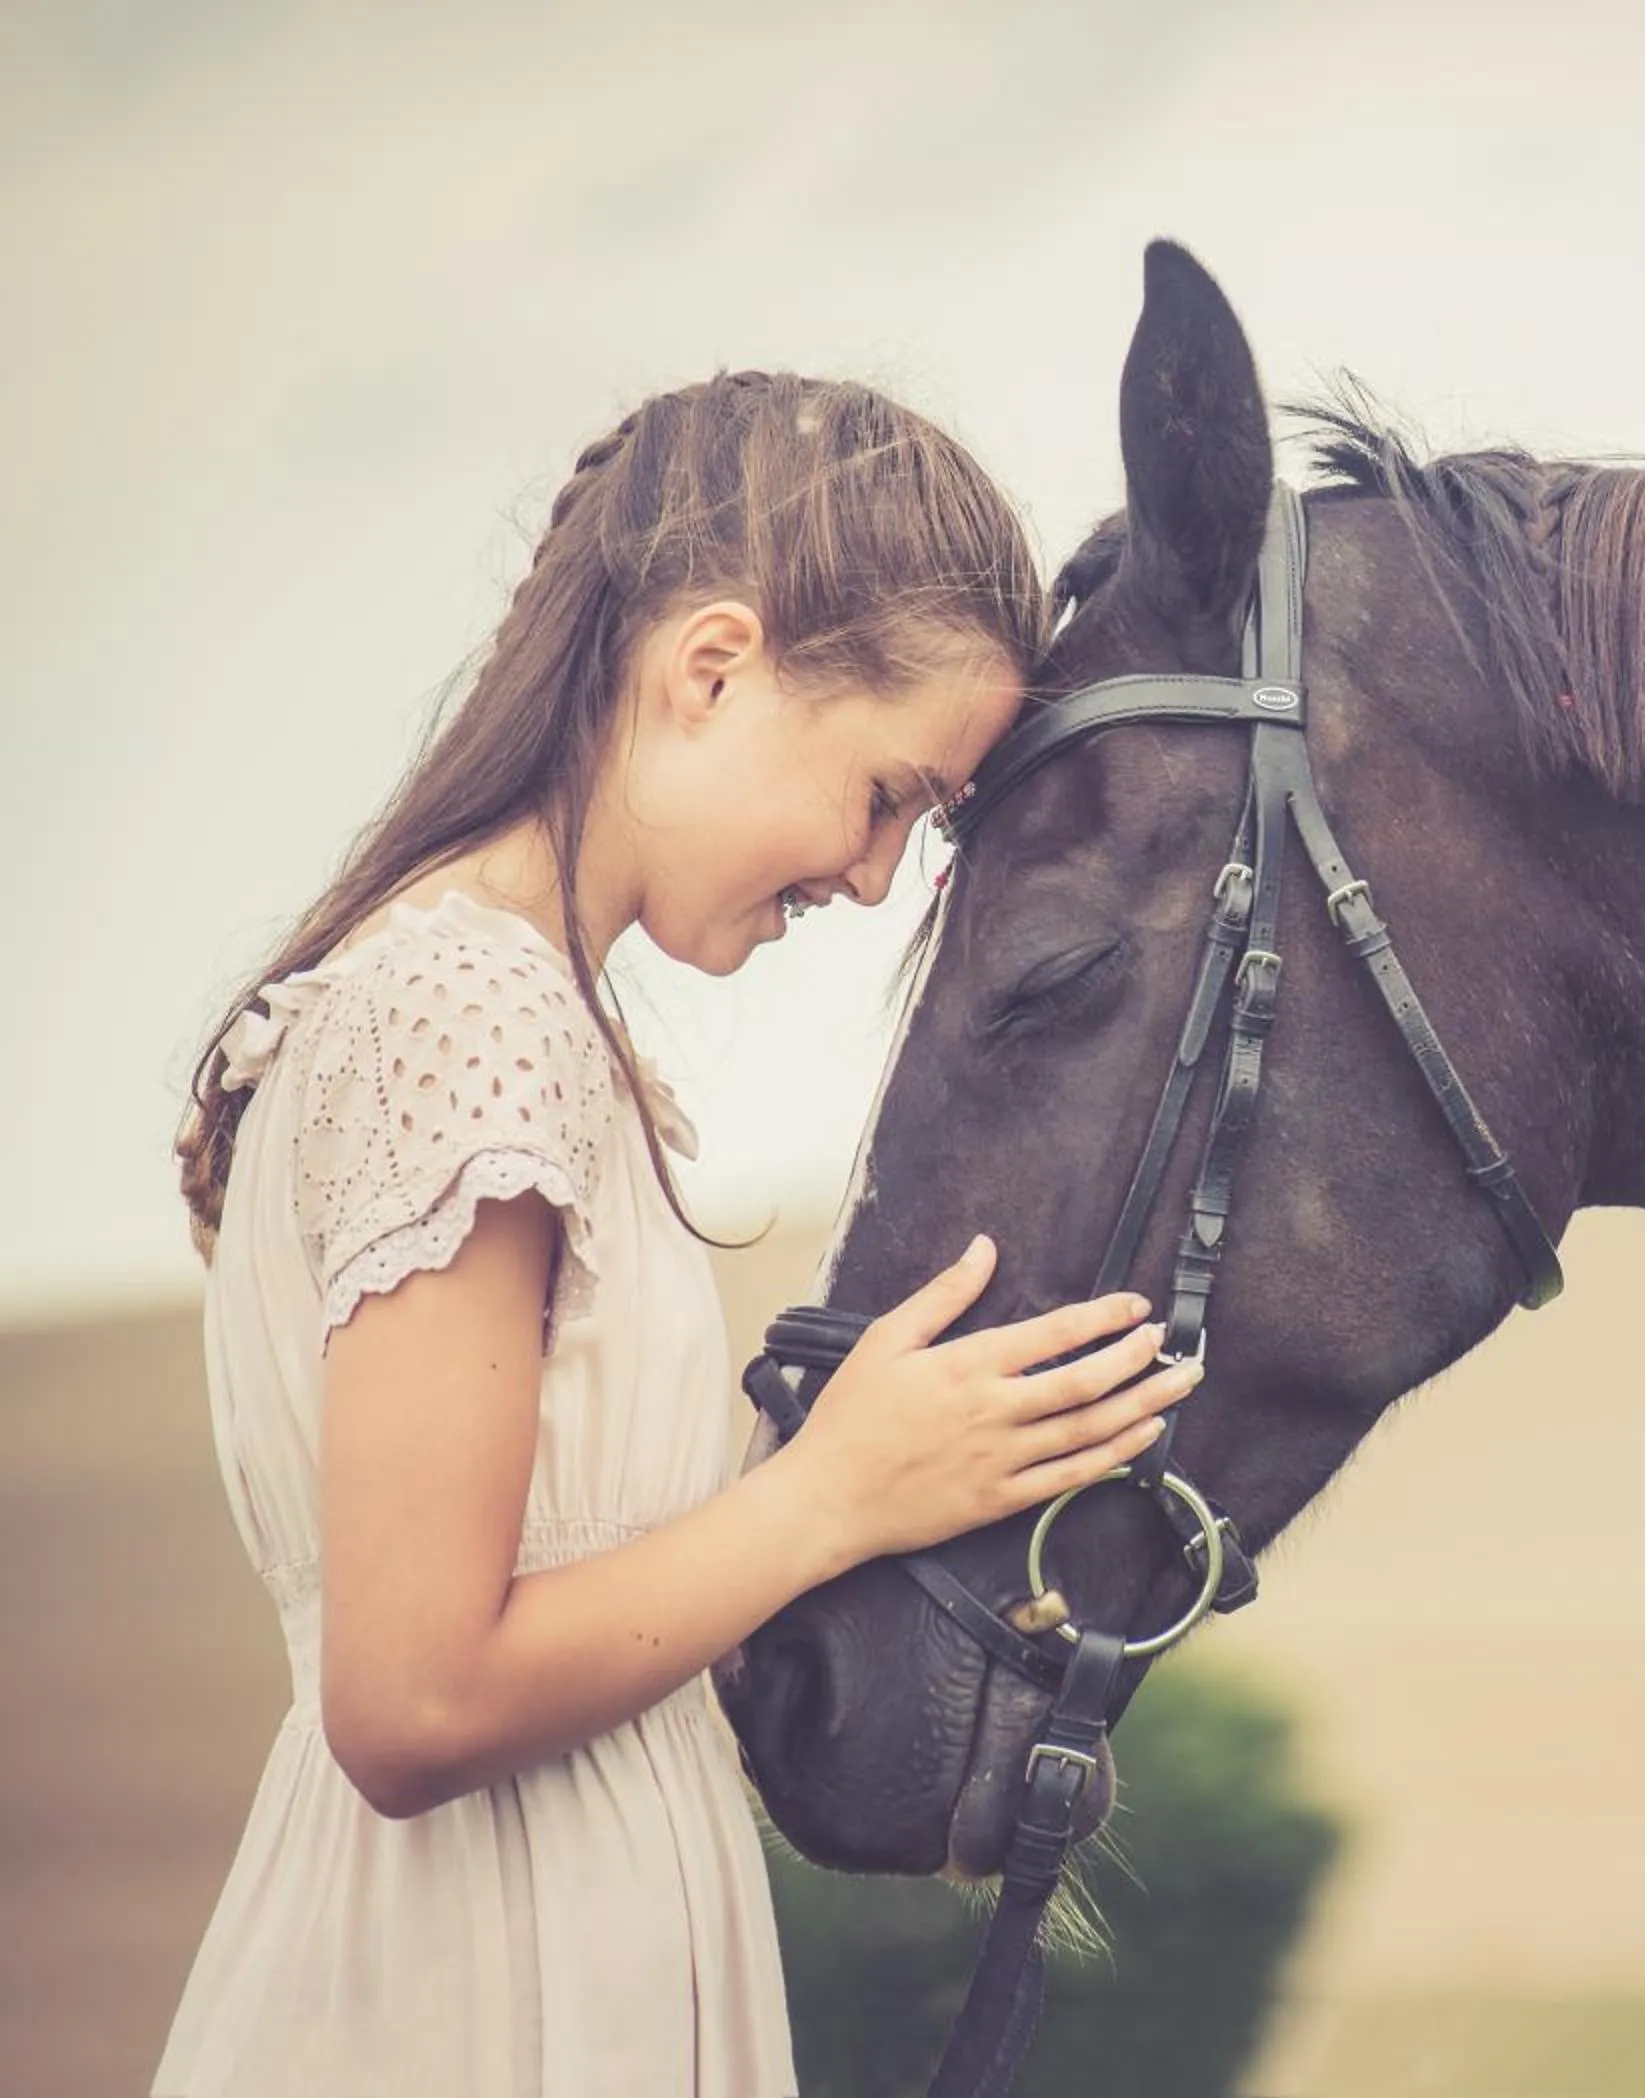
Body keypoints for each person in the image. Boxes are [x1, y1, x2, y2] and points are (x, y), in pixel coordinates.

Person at [153, 371, 1194, 2097]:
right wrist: (831, 1492)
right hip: (475, 2011)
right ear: (711, 670)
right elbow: (411, 1700)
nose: (873, 882)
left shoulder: (501, 1005)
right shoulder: (470, 1013)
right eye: (886, 797)